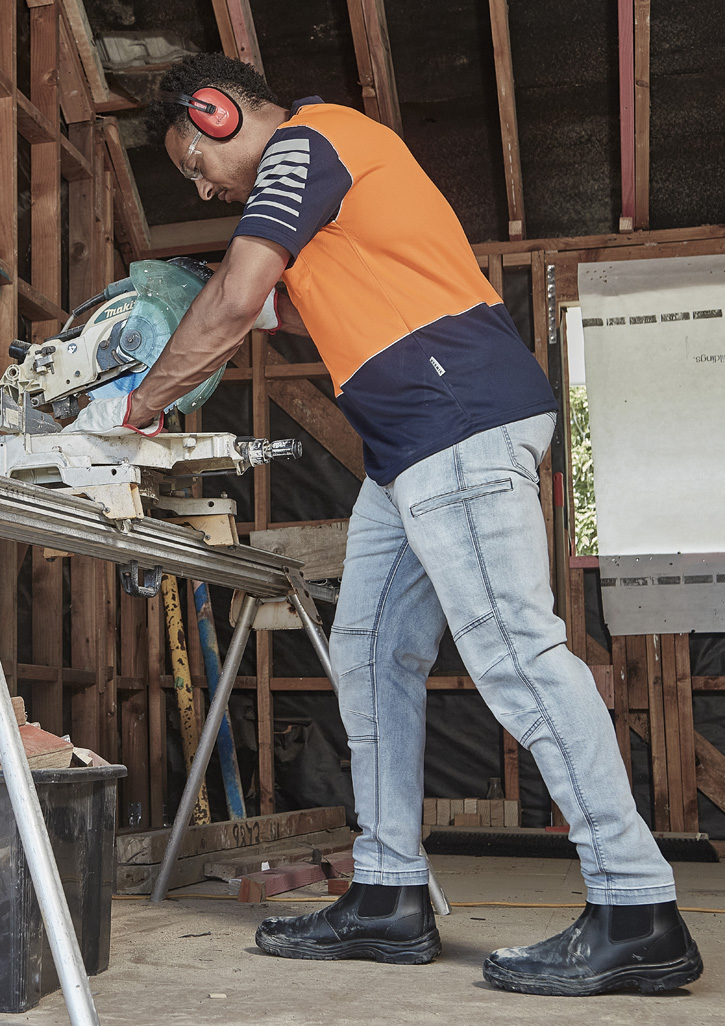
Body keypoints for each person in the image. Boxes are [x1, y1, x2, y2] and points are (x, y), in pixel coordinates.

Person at [81, 53, 702, 995]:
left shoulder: (307, 143)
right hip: (406, 446)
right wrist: (203, 299)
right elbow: (283, 303)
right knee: (370, 656)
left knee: (514, 651)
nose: (200, 186)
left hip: (452, 420)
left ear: (214, 113)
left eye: (194, 163)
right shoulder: (324, 185)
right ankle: (387, 896)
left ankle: (636, 908)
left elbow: (239, 299)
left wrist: (136, 405)